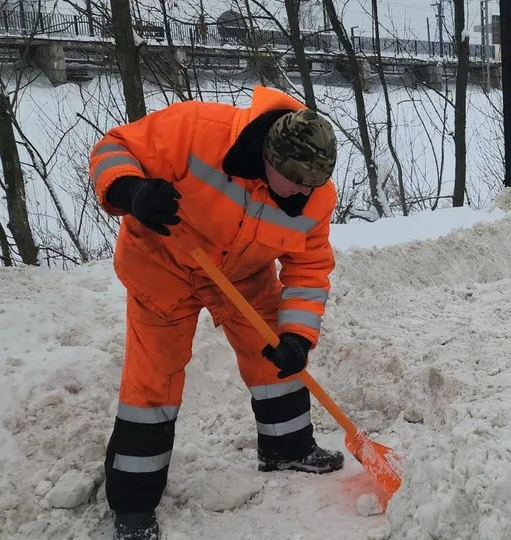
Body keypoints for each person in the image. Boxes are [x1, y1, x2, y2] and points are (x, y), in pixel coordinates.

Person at [89, 85, 344, 540]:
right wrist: (131, 191)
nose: (303, 194)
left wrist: (298, 338)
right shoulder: (198, 131)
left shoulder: (315, 199)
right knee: (154, 381)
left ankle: (287, 448)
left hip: (243, 273)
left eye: (313, 185)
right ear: (268, 161)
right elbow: (114, 146)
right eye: (296, 183)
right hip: (163, 261)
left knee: (273, 353)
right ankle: (132, 506)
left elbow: (309, 270)